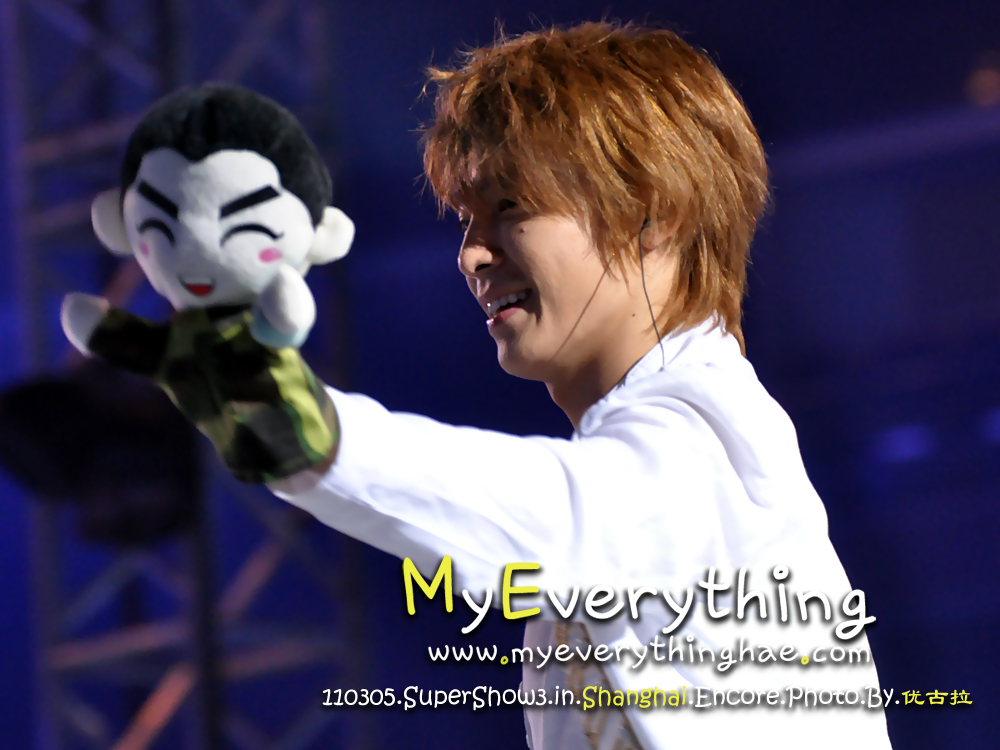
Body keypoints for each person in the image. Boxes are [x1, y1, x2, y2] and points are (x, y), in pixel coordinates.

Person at [171, 23, 898, 750]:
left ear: (649, 211)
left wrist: (307, 428)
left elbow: (558, 512)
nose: (471, 255)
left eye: (511, 206)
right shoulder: (653, 458)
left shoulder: (710, 442)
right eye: (467, 218)